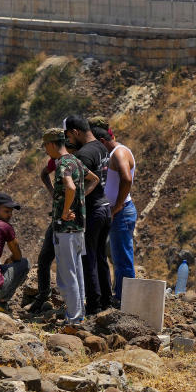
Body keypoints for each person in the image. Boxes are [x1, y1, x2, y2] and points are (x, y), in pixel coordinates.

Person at [65, 114, 112, 315]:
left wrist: (70, 208)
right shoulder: (102, 147)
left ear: (75, 132)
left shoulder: (84, 154)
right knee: (101, 257)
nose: (68, 140)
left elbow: (76, 187)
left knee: (88, 258)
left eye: (69, 135)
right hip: (105, 207)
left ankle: (94, 305)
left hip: (92, 211)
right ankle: (107, 301)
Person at [42, 127, 86, 324]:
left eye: (45, 146)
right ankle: (80, 313)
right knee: (77, 271)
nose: (45, 150)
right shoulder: (76, 161)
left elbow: (70, 186)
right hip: (78, 228)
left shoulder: (62, 164)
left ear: (52, 144)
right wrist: (80, 201)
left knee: (66, 274)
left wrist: (66, 209)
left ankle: (74, 318)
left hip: (65, 228)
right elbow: (92, 179)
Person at [93, 117, 137, 306]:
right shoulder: (117, 152)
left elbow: (126, 179)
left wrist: (117, 205)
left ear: (102, 142)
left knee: (122, 259)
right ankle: (119, 296)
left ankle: (126, 300)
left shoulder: (118, 153)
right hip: (117, 212)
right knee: (117, 257)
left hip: (121, 212)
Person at [25, 157, 57, 318]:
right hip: (58, 217)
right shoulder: (58, 160)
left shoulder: (78, 158)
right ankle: (43, 295)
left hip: (74, 219)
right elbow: (44, 173)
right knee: (44, 258)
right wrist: (53, 191)